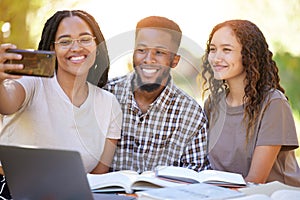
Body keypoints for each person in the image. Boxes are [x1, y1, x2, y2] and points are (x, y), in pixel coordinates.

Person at [0, 10, 122, 198]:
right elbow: (6, 104)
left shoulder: (109, 103)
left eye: (85, 39)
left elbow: (99, 177)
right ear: (52, 49)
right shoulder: (32, 83)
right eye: (65, 41)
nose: (76, 47)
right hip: (15, 192)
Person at [104, 16, 210, 173]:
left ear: (175, 60)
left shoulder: (191, 114)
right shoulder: (106, 94)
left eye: (159, 52)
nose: (148, 59)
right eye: (141, 50)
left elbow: (195, 177)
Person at [201, 19, 300, 186]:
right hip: (223, 194)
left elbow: (256, 181)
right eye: (212, 49)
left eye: (226, 49)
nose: (216, 58)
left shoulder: (274, 103)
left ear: (249, 54)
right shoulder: (213, 103)